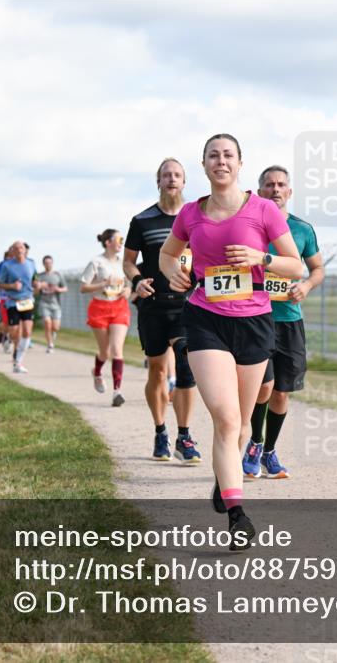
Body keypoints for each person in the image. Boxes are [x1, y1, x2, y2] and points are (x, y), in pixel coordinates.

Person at [159, 133, 303, 550]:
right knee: (225, 420)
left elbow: (294, 266)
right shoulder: (190, 213)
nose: (220, 161)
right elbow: (170, 254)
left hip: (256, 322)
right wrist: (174, 272)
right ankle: (238, 516)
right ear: (203, 165)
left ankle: (226, 482)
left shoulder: (262, 210)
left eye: (228, 155)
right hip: (206, 319)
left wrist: (263, 259)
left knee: (241, 424)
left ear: (240, 164)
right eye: (212, 156)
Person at [241, 165, 324, 479]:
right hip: (254, 317)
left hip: (289, 320)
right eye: (269, 185)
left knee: (281, 392)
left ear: (289, 191)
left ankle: (269, 451)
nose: (275, 189)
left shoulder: (302, 229)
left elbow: (316, 269)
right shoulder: (249, 227)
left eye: (281, 185)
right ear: (259, 191)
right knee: (263, 386)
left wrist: (305, 285)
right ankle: (255, 442)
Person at [125, 157, 201, 463]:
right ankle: (160, 431)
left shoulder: (197, 217)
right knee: (157, 370)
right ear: (158, 181)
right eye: (166, 175)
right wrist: (138, 281)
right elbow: (129, 261)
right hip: (153, 305)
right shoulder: (142, 220)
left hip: (186, 305)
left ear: (184, 182)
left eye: (177, 175)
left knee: (186, 364)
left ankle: (184, 435)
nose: (172, 179)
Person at [81, 230, 131, 406]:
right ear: (108, 242)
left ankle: (117, 392)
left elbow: (128, 284)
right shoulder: (96, 262)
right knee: (105, 352)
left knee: (117, 350)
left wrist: (127, 290)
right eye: (118, 239)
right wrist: (103, 283)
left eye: (122, 240)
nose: (121, 243)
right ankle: (97, 372)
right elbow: (83, 287)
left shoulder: (123, 262)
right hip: (99, 308)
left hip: (119, 307)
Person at [0, 241, 37, 373]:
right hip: (13, 301)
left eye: (21, 247)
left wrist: (37, 284)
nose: (19, 250)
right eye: (16, 248)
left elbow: (34, 278)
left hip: (27, 301)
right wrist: (12, 286)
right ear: (12, 252)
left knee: (27, 331)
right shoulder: (7, 266)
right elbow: (0, 284)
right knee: (14, 332)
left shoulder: (31, 263)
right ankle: (11, 342)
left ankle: (18, 361)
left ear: (25, 250)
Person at [35, 255, 67, 353]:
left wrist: (58, 289)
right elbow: (35, 292)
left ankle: (53, 335)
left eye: (50, 263)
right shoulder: (39, 276)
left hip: (56, 304)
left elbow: (65, 288)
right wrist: (39, 287)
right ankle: (50, 345)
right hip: (44, 303)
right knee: (47, 323)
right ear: (43, 264)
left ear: (52, 263)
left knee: (55, 327)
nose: (48, 264)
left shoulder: (58, 275)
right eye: (46, 263)